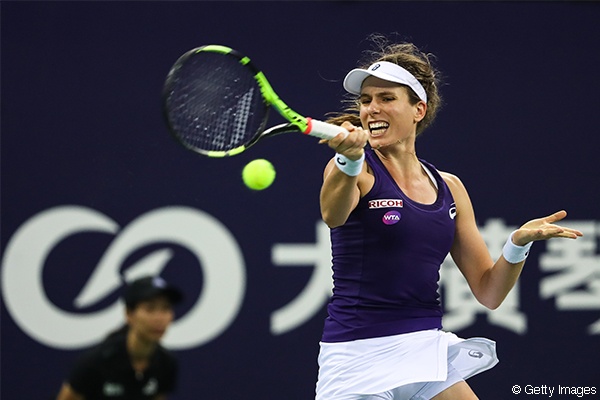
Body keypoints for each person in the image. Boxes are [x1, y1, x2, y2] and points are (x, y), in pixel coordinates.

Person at [316, 35, 583, 400]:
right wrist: (348, 160)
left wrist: (517, 244)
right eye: (366, 100)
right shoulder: (354, 169)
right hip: (356, 357)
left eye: (386, 99)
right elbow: (332, 215)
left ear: (418, 110)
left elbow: (489, 292)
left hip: (424, 350)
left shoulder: (450, 187)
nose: (371, 109)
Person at [56, 276, 183, 400]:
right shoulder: (96, 362)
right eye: (150, 309)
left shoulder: (167, 363)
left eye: (166, 308)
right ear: (129, 314)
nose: (159, 318)